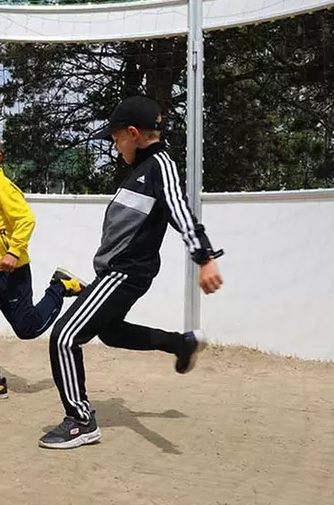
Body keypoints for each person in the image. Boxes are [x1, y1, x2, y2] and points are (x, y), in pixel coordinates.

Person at [38, 96, 225, 450]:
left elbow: (179, 211)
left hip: (124, 273)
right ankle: (180, 343)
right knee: (110, 332)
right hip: (113, 273)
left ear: (134, 133)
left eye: (116, 138)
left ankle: (80, 421)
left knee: (64, 337)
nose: (114, 144)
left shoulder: (160, 166)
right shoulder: (139, 170)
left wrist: (204, 257)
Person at [0, 132, 86, 400]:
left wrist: (14, 252)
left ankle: (60, 287)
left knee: (27, 329)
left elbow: (25, 220)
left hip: (11, 273)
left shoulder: (3, 188)